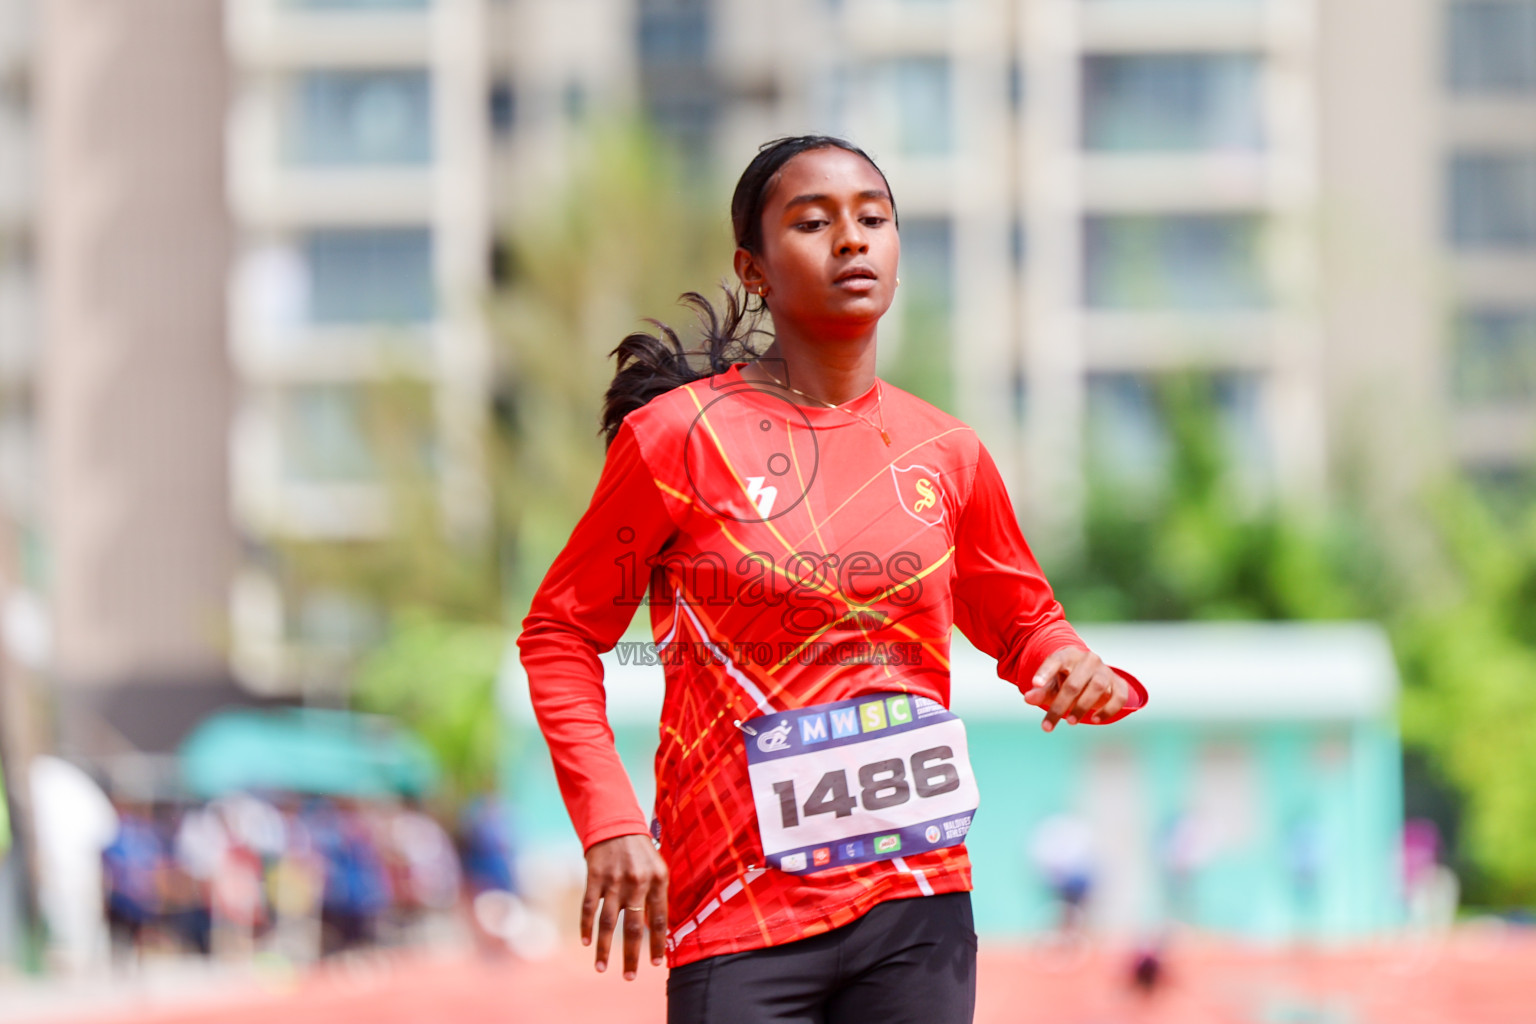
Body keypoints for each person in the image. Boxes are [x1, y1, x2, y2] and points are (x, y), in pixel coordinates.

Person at [518, 135, 1148, 1024]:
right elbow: (559, 637)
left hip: (917, 899)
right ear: (756, 269)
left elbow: (1024, 621)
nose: (852, 240)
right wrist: (612, 822)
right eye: (812, 223)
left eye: (873, 219)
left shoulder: (949, 453)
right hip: (737, 906)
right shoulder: (675, 439)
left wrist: (1079, 665)